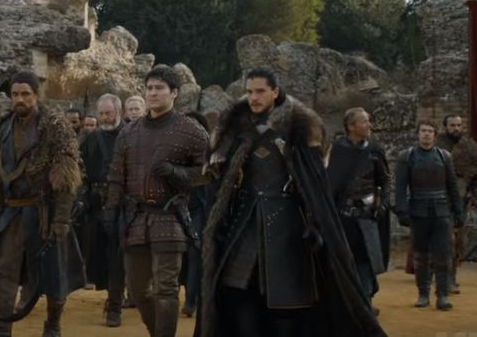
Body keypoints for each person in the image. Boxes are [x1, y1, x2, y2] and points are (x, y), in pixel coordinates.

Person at [197, 67, 385, 337]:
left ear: (275, 92)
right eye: (249, 92)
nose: (254, 97)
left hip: (288, 227)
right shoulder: (235, 128)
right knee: (236, 294)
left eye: (260, 91)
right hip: (244, 224)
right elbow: (219, 180)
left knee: (288, 306)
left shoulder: (299, 128)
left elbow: (314, 183)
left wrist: (314, 222)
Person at [0, 71, 85, 337]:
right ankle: (3, 329)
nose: (20, 99)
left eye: (25, 94)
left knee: (53, 272)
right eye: (15, 94)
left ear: (36, 95)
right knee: (6, 270)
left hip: (44, 212)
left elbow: (67, 177)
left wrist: (61, 220)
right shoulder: (4, 125)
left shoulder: (56, 126)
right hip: (10, 212)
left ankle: (53, 325)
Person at [104, 66, 208, 337]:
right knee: (138, 290)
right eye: (149, 88)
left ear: (174, 93)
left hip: (170, 217)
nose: (153, 93)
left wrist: (176, 172)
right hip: (136, 218)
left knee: (166, 289)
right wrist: (110, 209)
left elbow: (207, 173)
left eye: (159, 88)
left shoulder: (191, 130)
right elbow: (116, 176)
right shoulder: (129, 132)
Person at [395, 120, 465, 310]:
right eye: (423, 131)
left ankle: (442, 295)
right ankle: (423, 294)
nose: (426, 134)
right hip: (418, 212)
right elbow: (400, 187)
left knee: (443, 255)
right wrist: (401, 211)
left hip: (441, 212)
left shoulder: (444, 156)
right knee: (421, 256)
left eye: (430, 131)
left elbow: (452, 186)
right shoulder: (406, 157)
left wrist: (459, 210)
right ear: (418, 134)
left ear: (435, 135)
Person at [327, 108, 391, 313]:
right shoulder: (338, 150)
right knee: (345, 259)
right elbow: (330, 183)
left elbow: (385, 181)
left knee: (366, 260)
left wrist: (383, 204)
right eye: (364, 122)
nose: (369, 125)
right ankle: (348, 303)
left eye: (368, 121)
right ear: (351, 126)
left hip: (367, 215)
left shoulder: (374, 150)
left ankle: (365, 302)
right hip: (344, 216)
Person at [78, 94, 126, 327]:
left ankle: (115, 306)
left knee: (117, 256)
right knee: (97, 255)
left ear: (119, 111)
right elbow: (80, 170)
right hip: (96, 205)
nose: (105, 117)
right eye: (102, 113)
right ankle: (111, 295)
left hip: (123, 205)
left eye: (109, 113)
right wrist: (82, 197)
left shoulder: (131, 135)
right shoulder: (90, 139)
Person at [435, 114, 477, 293]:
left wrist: (473, 196)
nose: (456, 128)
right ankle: (441, 280)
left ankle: (450, 278)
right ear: (445, 126)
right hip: (438, 199)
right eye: (452, 125)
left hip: (460, 200)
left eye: (459, 125)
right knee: (444, 241)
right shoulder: (435, 145)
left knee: (457, 241)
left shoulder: (469, 147)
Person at [181, 111, 214, 318]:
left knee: (195, 254)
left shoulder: (209, 153)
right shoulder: (174, 150)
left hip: (199, 209)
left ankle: (191, 300)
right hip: (176, 208)